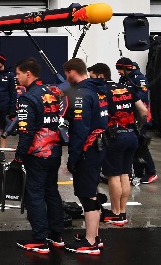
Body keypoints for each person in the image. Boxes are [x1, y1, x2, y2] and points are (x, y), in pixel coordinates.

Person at [12, 58, 64, 254]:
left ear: (28, 74)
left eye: (18, 74)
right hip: (55, 151)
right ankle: (56, 235)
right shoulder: (53, 92)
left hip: (38, 154)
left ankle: (40, 240)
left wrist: (18, 158)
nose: (16, 78)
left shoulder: (27, 97)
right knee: (51, 192)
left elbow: (26, 131)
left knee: (34, 195)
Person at [88, 63, 146, 226]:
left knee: (113, 175)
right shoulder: (126, 88)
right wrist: (137, 128)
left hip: (114, 137)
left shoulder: (101, 91)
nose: (90, 81)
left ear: (100, 76)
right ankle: (122, 212)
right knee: (125, 174)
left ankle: (115, 213)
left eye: (92, 77)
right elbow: (143, 111)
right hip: (132, 135)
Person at [63, 58, 108, 255]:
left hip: (88, 149)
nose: (66, 78)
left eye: (67, 74)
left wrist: (72, 159)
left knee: (87, 194)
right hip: (99, 146)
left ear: (72, 71)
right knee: (91, 191)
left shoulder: (81, 94)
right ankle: (94, 235)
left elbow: (80, 130)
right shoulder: (99, 90)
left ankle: (90, 242)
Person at [116, 57, 157, 183]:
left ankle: (151, 172)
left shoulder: (140, 79)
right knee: (134, 146)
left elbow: (142, 96)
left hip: (141, 117)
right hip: (129, 117)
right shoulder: (122, 79)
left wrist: (125, 98)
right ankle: (139, 173)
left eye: (120, 69)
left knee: (142, 145)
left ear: (127, 68)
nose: (118, 72)